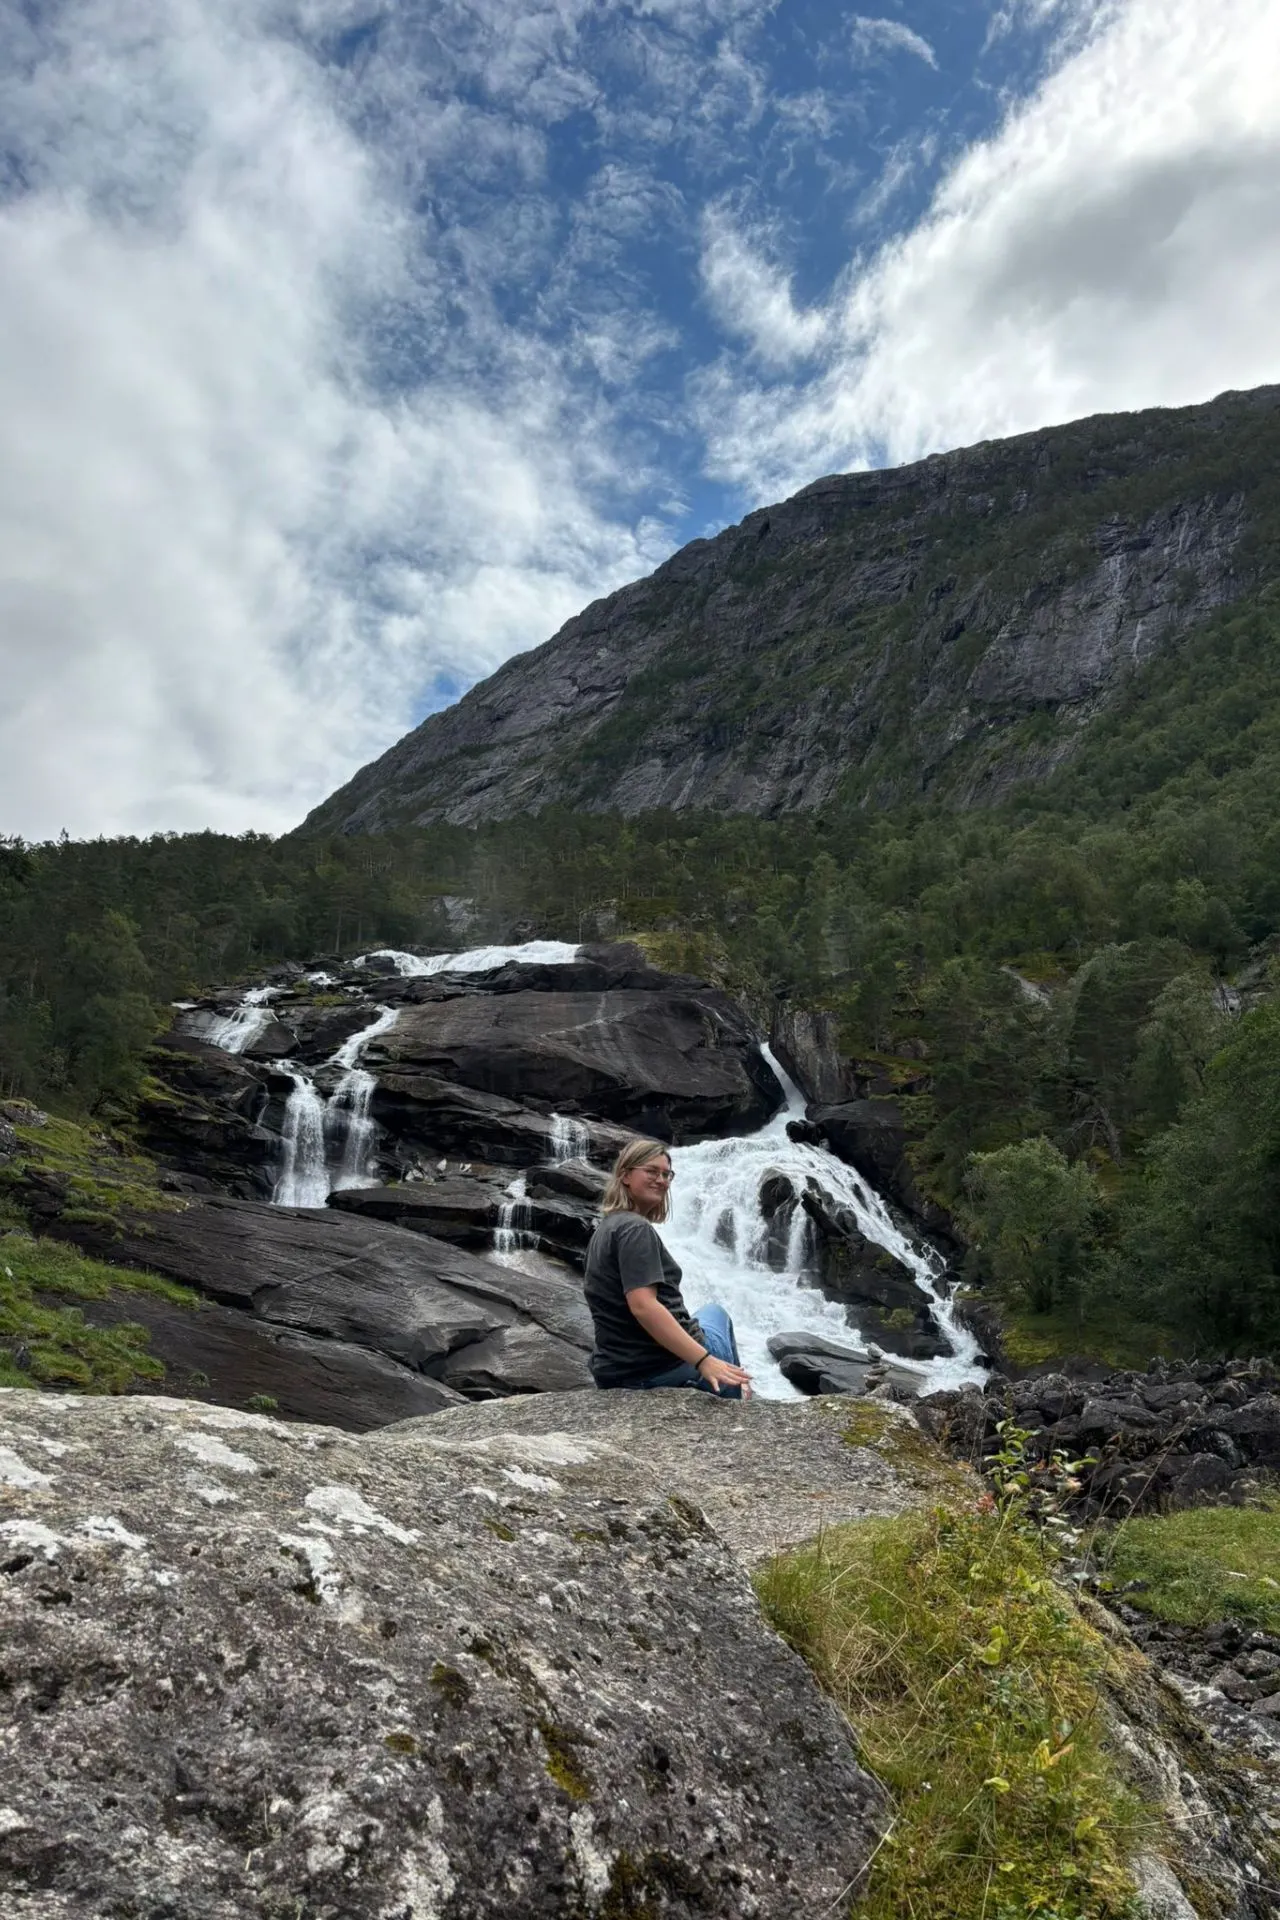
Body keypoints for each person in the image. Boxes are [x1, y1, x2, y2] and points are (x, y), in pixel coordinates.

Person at [584, 1138, 753, 1399]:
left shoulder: (607, 1229)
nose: (662, 1180)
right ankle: (733, 1395)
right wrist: (704, 1361)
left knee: (708, 1313)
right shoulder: (635, 1229)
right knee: (718, 1314)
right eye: (651, 1171)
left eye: (666, 1174)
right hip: (659, 1367)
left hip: (616, 1367)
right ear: (625, 1175)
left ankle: (733, 1386)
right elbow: (643, 1306)